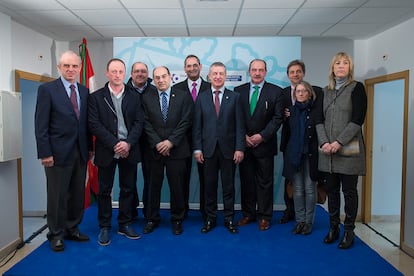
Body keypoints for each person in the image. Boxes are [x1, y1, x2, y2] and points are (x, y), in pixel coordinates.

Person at [35, 50, 91, 252]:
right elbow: (40, 125)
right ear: (59, 67)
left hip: (81, 152)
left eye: (74, 66)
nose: (70, 69)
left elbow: (85, 124)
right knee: (57, 196)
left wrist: (90, 150)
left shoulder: (84, 91)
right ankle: (56, 234)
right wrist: (45, 153)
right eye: (66, 65)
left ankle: (72, 228)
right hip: (56, 154)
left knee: (76, 194)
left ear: (79, 68)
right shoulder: (47, 90)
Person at [88, 58, 144, 246]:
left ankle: (125, 223)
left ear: (125, 73)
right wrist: (115, 143)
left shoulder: (135, 96)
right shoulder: (96, 97)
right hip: (106, 150)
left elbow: (139, 123)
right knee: (104, 191)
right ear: (107, 73)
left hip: (129, 150)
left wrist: (127, 143)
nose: (117, 75)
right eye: (113, 71)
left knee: (128, 189)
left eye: (120, 71)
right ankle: (104, 226)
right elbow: (94, 124)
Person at [316, 52, 367, 249]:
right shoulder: (324, 91)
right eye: (338, 63)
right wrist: (324, 143)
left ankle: (349, 231)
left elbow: (357, 120)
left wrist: (338, 142)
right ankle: (333, 228)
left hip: (348, 150)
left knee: (349, 192)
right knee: (332, 191)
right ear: (332, 67)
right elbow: (318, 119)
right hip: (327, 151)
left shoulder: (357, 88)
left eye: (345, 63)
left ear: (350, 68)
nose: (341, 66)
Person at [193, 62, 245, 234]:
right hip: (207, 150)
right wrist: (197, 149)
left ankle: (229, 219)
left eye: (221, 73)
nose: (217, 76)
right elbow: (197, 126)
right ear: (209, 76)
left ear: (225, 76)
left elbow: (239, 126)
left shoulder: (235, 97)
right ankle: (210, 219)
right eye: (214, 73)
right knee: (209, 187)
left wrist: (239, 148)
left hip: (229, 150)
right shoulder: (202, 97)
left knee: (228, 186)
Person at [141, 66, 193, 235]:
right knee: (153, 187)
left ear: (170, 77)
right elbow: (145, 123)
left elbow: (186, 121)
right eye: (157, 77)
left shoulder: (184, 97)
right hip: (154, 151)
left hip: (177, 150)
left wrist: (170, 142)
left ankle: (177, 219)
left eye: (164, 76)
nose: (161, 80)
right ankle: (152, 219)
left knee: (177, 187)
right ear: (153, 79)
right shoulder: (146, 98)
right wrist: (158, 143)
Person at [234, 59, 283, 231]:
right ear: (249, 71)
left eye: (260, 70)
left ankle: (264, 216)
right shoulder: (238, 91)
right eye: (254, 70)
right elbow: (236, 118)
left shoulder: (276, 92)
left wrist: (261, 136)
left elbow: (278, 118)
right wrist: (244, 137)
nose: (257, 73)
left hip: (265, 145)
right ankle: (248, 214)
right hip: (244, 145)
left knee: (265, 182)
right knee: (247, 182)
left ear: (266, 72)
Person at [173, 54, 210, 218]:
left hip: (206, 140)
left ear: (200, 67)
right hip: (182, 141)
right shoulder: (176, 89)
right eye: (189, 66)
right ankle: (182, 211)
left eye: (195, 65)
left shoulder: (210, 87)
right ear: (184, 68)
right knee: (182, 179)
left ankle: (206, 211)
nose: (192, 68)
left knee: (207, 178)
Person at [282, 81, 321, 235]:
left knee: (310, 189)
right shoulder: (290, 112)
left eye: (304, 91)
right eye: (298, 91)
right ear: (294, 94)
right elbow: (287, 134)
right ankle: (300, 221)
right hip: (294, 155)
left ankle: (308, 222)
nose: (301, 93)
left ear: (309, 93)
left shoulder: (316, 111)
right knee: (297, 190)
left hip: (311, 155)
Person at [126, 61, 156, 221]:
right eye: (137, 71)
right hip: (130, 140)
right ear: (131, 74)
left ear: (148, 74)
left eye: (143, 71)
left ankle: (149, 212)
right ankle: (131, 210)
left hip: (149, 141)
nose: (140, 74)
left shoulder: (154, 90)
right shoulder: (123, 90)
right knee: (129, 178)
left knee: (150, 178)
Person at [279, 59, 306, 224]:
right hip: (288, 142)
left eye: (298, 71)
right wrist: (283, 115)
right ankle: (289, 210)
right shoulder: (282, 94)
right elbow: (276, 114)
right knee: (289, 178)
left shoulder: (312, 92)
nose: (295, 75)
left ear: (303, 73)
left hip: (307, 143)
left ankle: (303, 213)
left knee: (306, 180)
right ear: (288, 75)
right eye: (292, 72)